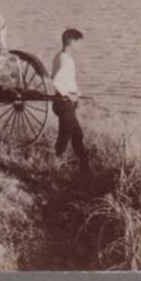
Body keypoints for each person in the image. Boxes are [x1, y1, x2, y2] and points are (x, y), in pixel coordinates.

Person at [52, 28, 89, 173]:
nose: (80, 45)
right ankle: (56, 164)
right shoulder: (65, 60)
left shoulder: (60, 56)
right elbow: (56, 81)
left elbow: (65, 80)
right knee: (66, 136)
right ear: (71, 42)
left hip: (63, 102)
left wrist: (77, 93)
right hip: (64, 103)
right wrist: (70, 95)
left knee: (76, 135)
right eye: (79, 42)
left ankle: (84, 166)